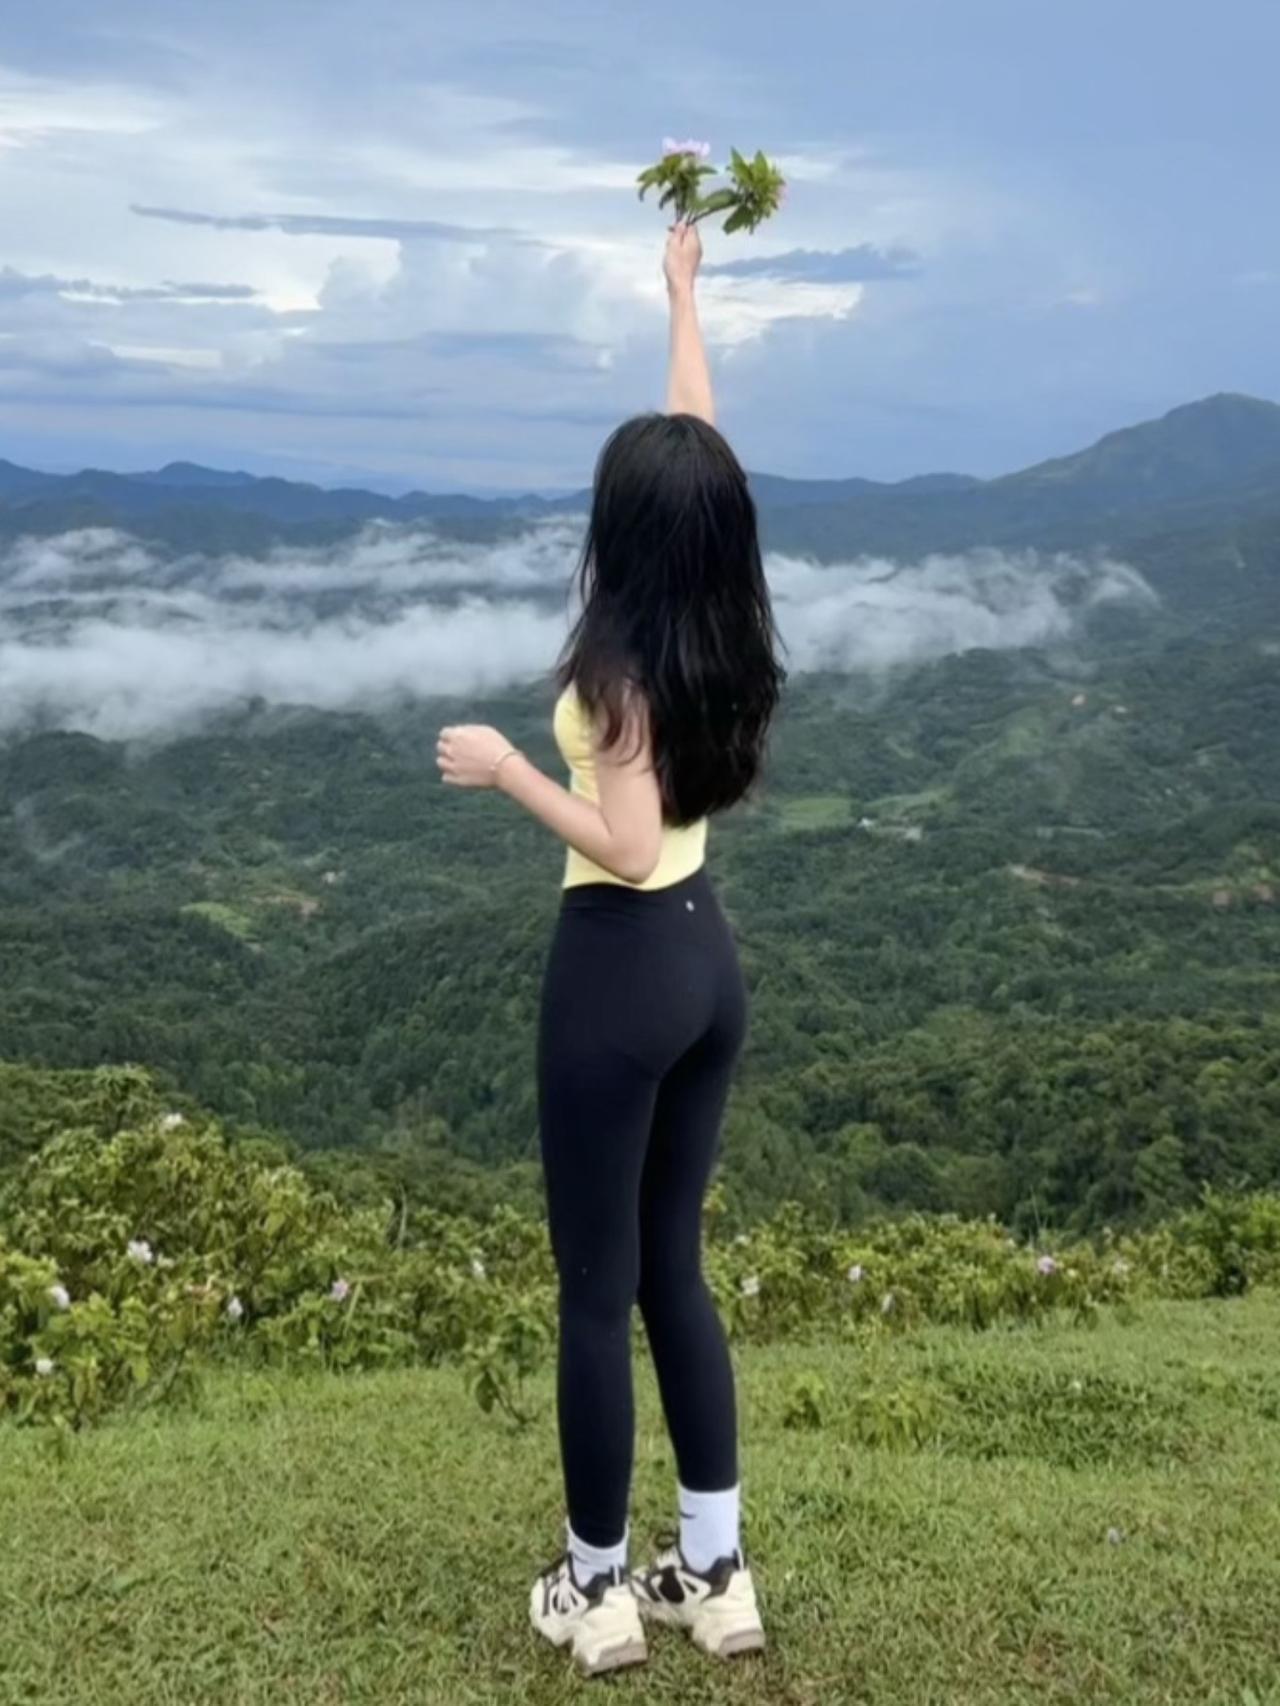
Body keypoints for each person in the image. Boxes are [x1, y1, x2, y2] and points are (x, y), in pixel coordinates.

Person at [435, 217, 785, 1677]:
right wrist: (683, 296)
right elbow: (700, 438)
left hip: (621, 969)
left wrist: (510, 768)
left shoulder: (618, 669)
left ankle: (593, 1590)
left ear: (623, 533)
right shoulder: (721, 616)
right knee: (672, 1271)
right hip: (708, 967)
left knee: (594, 1287)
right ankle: (715, 1570)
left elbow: (626, 845)